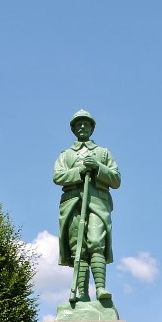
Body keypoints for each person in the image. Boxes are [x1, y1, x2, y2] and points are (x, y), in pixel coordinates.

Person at [53, 110, 121, 301]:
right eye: (78, 124)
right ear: (73, 129)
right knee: (78, 248)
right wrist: (80, 170)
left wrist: (98, 167)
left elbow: (116, 180)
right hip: (73, 203)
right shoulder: (65, 155)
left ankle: (100, 289)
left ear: (92, 127)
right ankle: (82, 294)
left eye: (86, 124)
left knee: (96, 243)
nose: (82, 127)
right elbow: (57, 176)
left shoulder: (103, 153)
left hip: (97, 203)